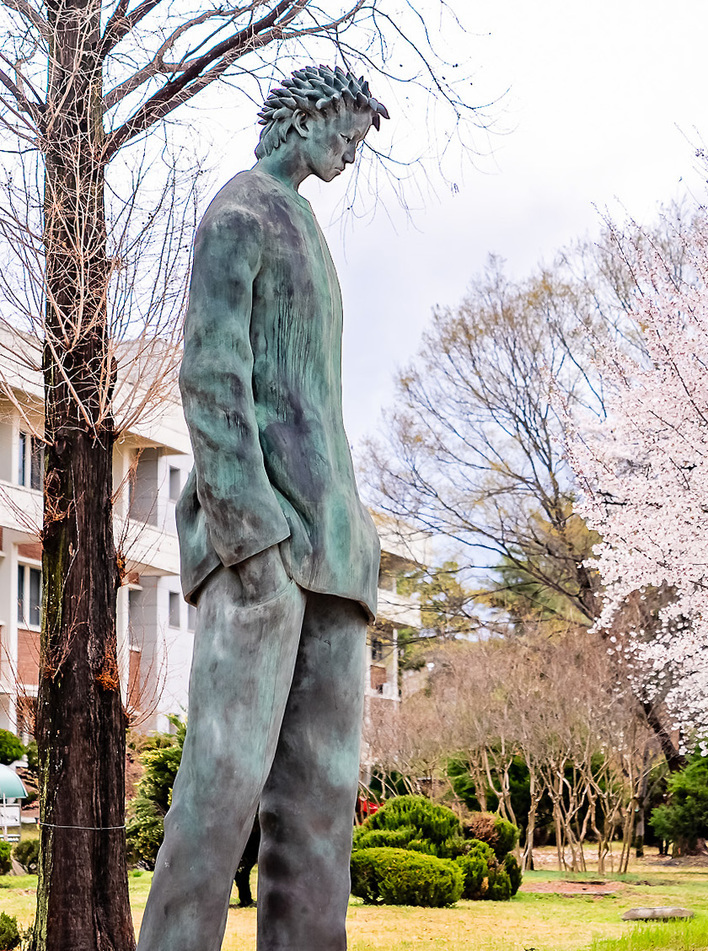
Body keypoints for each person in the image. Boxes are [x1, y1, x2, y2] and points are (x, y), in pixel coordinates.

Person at [136, 65, 389, 951]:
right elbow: (212, 376)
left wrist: (347, 536)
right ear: (306, 117)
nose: (350, 157)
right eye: (346, 137)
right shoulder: (240, 211)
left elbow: (311, 394)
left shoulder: (305, 223)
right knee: (220, 789)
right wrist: (256, 539)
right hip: (267, 552)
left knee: (321, 810)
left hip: (332, 553)